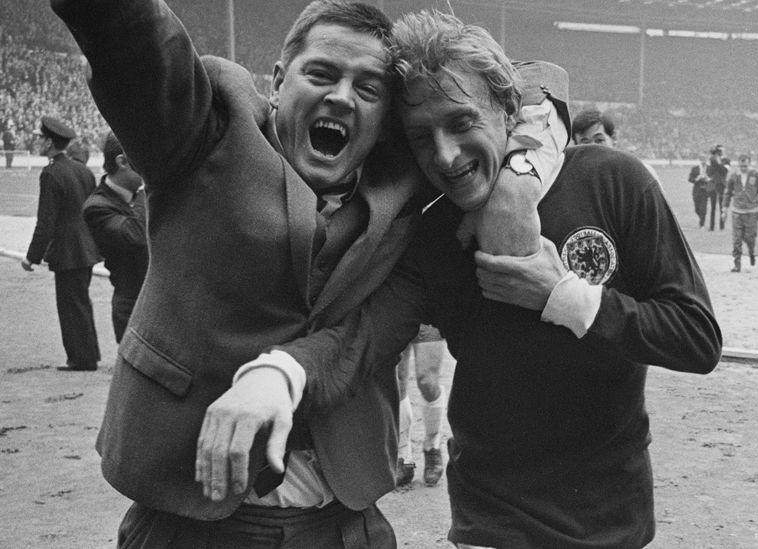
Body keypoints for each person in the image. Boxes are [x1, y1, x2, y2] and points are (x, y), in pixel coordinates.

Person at [53, 0, 559, 544]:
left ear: (386, 118)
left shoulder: (411, 179)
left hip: (344, 523)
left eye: (368, 88)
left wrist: (517, 181)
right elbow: (131, 36)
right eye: (321, 74)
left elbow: (536, 87)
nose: (341, 96)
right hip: (189, 517)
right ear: (276, 80)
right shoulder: (207, 133)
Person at [375, 11, 722, 547]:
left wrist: (566, 296)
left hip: (610, 517)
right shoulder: (430, 231)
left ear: (509, 109)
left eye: (462, 123)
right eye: (423, 136)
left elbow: (697, 339)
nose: (444, 155)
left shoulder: (613, 180)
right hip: (491, 518)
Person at [21, 115, 101, 372]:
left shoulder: (51, 173)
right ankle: (88, 354)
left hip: (67, 250)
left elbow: (46, 222)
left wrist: (31, 257)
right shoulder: (83, 170)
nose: (38, 143)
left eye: (40, 139)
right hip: (86, 248)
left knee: (70, 307)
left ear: (49, 142)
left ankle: (81, 359)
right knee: (81, 303)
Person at [82, 131, 148, 343]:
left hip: (169, 305)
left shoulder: (140, 198)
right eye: (147, 159)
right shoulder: (97, 207)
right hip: (134, 308)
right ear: (122, 162)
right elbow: (135, 234)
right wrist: (147, 186)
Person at [394, 325, 447, 488]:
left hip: (428, 314)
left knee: (427, 381)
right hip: (398, 310)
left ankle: (432, 446)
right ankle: (404, 456)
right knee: (397, 382)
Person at [571, 107, 660, 183]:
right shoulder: (570, 182)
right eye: (585, 143)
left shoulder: (641, 173)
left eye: (599, 140)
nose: (593, 148)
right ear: (575, 146)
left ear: (613, 138)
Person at [722, 154, 758, 272]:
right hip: (737, 212)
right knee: (736, 239)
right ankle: (737, 264)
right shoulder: (734, 176)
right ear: (738, 164)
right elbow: (727, 193)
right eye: (741, 165)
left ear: (749, 163)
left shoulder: (757, 176)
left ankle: (751, 252)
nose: (743, 167)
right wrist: (724, 209)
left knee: (750, 237)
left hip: (751, 212)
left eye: (745, 165)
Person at [706, 144, 730, 230]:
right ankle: (711, 227)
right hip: (713, 184)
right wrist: (714, 162)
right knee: (712, 207)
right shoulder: (711, 159)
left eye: (721, 150)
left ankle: (722, 226)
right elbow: (708, 172)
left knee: (721, 206)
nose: (720, 152)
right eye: (719, 150)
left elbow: (725, 171)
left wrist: (718, 163)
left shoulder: (726, 160)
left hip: (721, 184)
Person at [688, 153, 710, 228]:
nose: (704, 160)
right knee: (697, 209)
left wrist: (708, 179)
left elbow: (714, 178)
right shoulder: (695, 168)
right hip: (697, 191)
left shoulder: (710, 168)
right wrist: (697, 179)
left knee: (703, 208)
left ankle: (702, 224)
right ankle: (701, 218)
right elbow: (690, 179)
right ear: (700, 159)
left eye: (705, 159)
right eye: (702, 159)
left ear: (707, 159)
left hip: (706, 190)